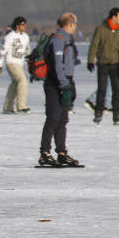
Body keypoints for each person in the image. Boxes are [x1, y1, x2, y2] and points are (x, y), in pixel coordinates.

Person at [38, 13, 81, 167]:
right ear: (70, 25)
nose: (76, 27)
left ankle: (61, 152)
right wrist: (63, 85)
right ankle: (44, 153)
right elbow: (57, 65)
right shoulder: (58, 39)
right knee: (53, 118)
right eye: (75, 24)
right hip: (55, 83)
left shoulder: (68, 39)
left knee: (63, 119)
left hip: (66, 81)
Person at [86, 7, 119, 125]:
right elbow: (94, 45)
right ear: (114, 17)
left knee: (117, 90)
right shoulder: (101, 29)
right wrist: (90, 60)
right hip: (103, 64)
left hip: (116, 64)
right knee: (102, 90)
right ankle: (98, 114)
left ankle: (116, 116)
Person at [0, 16, 31, 114]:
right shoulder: (10, 36)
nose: (25, 26)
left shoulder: (25, 37)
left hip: (20, 63)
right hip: (11, 62)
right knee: (23, 81)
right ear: (17, 26)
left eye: (25, 24)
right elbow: (3, 51)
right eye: (23, 25)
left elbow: (28, 50)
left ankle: (7, 107)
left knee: (15, 84)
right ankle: (21, 105)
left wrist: (31, 59)